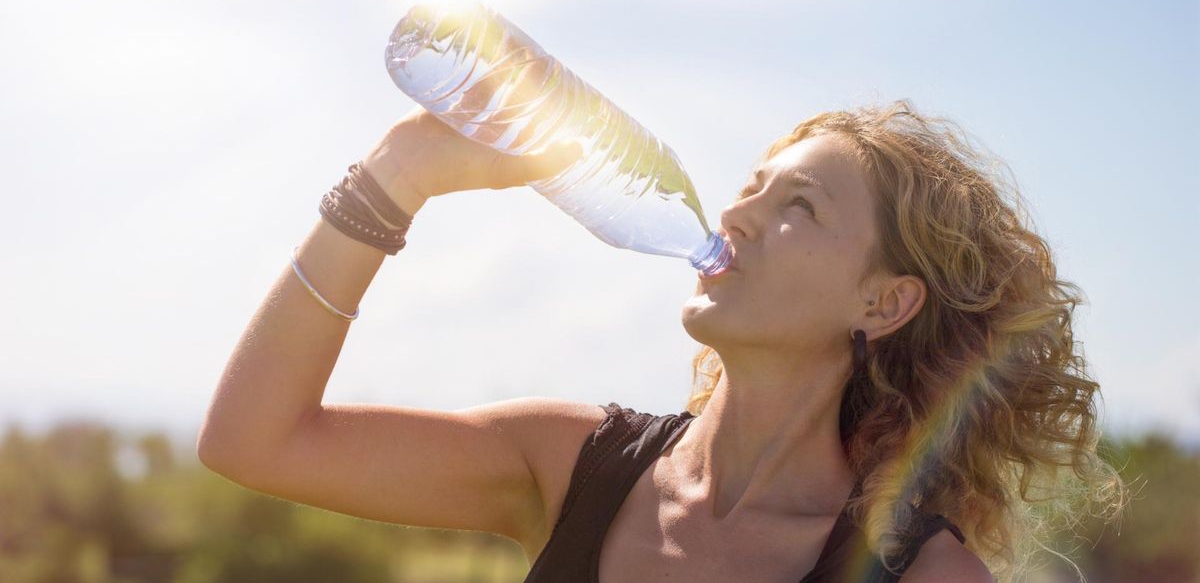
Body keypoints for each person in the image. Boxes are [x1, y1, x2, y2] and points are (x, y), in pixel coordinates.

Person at [197, 99, 1124, 582]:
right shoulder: (573, 466)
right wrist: (399, 170)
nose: (738, 213)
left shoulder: (922, 574)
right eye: (752, 186)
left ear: (884, 302)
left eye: (796, 204)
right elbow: (252, 440)